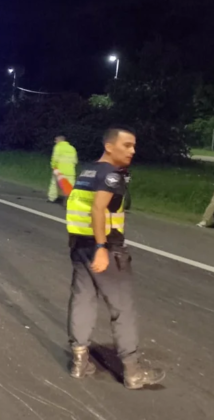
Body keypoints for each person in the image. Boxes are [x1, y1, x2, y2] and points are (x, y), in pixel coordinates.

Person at [65, 127, 164, 389]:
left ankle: (79, 362)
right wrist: (101, 246)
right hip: (106, 248)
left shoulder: (88, 171)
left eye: (134, 146)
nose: (133, 151)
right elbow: (98, 208)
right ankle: (133, 371)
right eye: (127, 145)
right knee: (122, 308)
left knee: (83, 300)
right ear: (109, 147)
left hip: (79, 246)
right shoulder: (111, 175)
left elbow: (78, 205)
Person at [49, 135, 78, 204]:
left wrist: (53, 166)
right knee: (69, 186)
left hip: (59, 169)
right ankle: (69, 201)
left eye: (55, 140)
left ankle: (52, 198)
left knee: (55, 184)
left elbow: (55, 158)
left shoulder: (58, 147)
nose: (55, 142)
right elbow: (75, 161)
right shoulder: (72, 148)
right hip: (70, 171)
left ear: (59, 140)